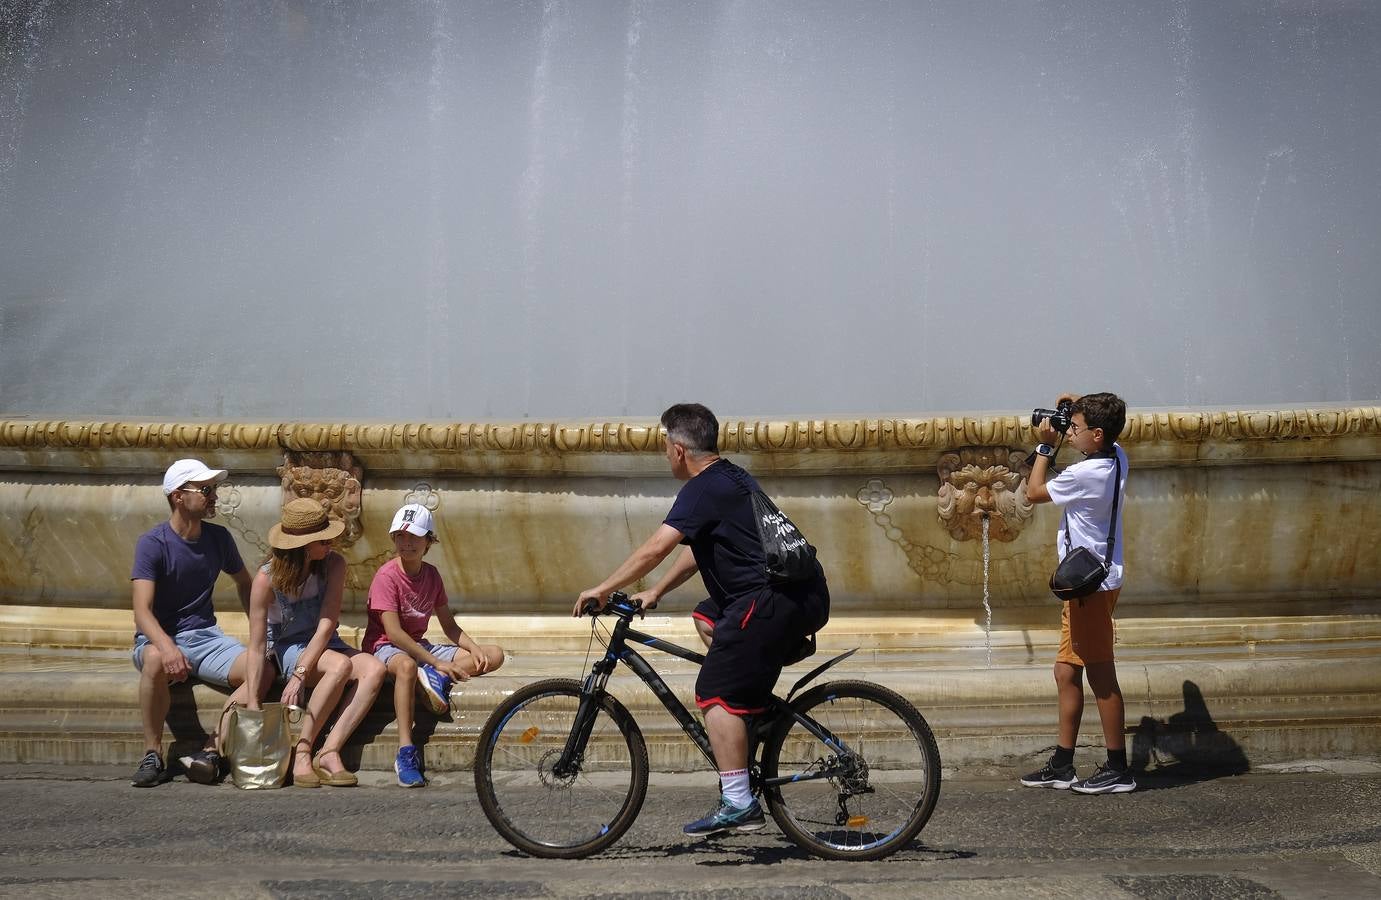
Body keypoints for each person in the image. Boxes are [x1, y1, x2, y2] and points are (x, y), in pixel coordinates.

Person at [574, 403, 830, 837]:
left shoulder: (702, 488)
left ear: (677, 450)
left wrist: (602, 588)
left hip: (769, 602)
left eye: (663, 449)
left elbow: (656, 548)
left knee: (713, 691)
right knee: (708, 618)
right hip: (796, 595)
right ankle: (752, 714)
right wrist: (655, 592)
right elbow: (696, 547)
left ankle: (738, 802)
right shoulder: (729, 476)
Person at [130, 458, 274, 787]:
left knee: (262, 668)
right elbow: (141, 611)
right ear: (178, 496)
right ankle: (152, 753)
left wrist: (260, 632)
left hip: (206, 639)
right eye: (206, 490)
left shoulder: (219, 538)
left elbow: (245, 583)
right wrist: (166, 648)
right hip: (158, 639)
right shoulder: (153, 544)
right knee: (153, 658)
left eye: (214, 490)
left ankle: (211, 749)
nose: (214, 497)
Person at [1020, 392, 1135, 794]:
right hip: (1097, 580)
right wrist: (1074, 406)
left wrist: (1045, 447)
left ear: (1098, 434)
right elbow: (1102, 431)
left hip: (1090, 587)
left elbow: (1034, 492)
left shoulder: (1087, 475)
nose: (1070, 432)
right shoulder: (1118, 457)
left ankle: (1118, 768)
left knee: (1102, 676)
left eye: (1076, 428)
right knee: (1066, 671)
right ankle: (1063, 764)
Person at [363, 503, 506, 787]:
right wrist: (435, 659)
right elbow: (392, 633)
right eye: (401, 536)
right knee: (405, 666)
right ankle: (406, 751)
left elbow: (450, 626)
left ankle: (435, 678)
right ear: (393, 539)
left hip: (418, 645)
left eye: (415, 536)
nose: (407, 543)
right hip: (385, 647)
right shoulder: (386, 576)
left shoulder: (432, 575)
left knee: (494, 654)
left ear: (429, 541)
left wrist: (473, 648)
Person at [245, 498, 385, 787]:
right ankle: (302, 751)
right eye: (323, 540)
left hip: (322, 642)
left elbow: (326, 624)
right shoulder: (265, 580)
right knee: (339, 666)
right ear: (303, 545)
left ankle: (329, 750)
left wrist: (301, 673)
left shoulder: (332, 564)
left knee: (374, 669)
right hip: (286, 647)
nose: (330, 543)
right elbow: (257, 646)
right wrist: (253, 701)